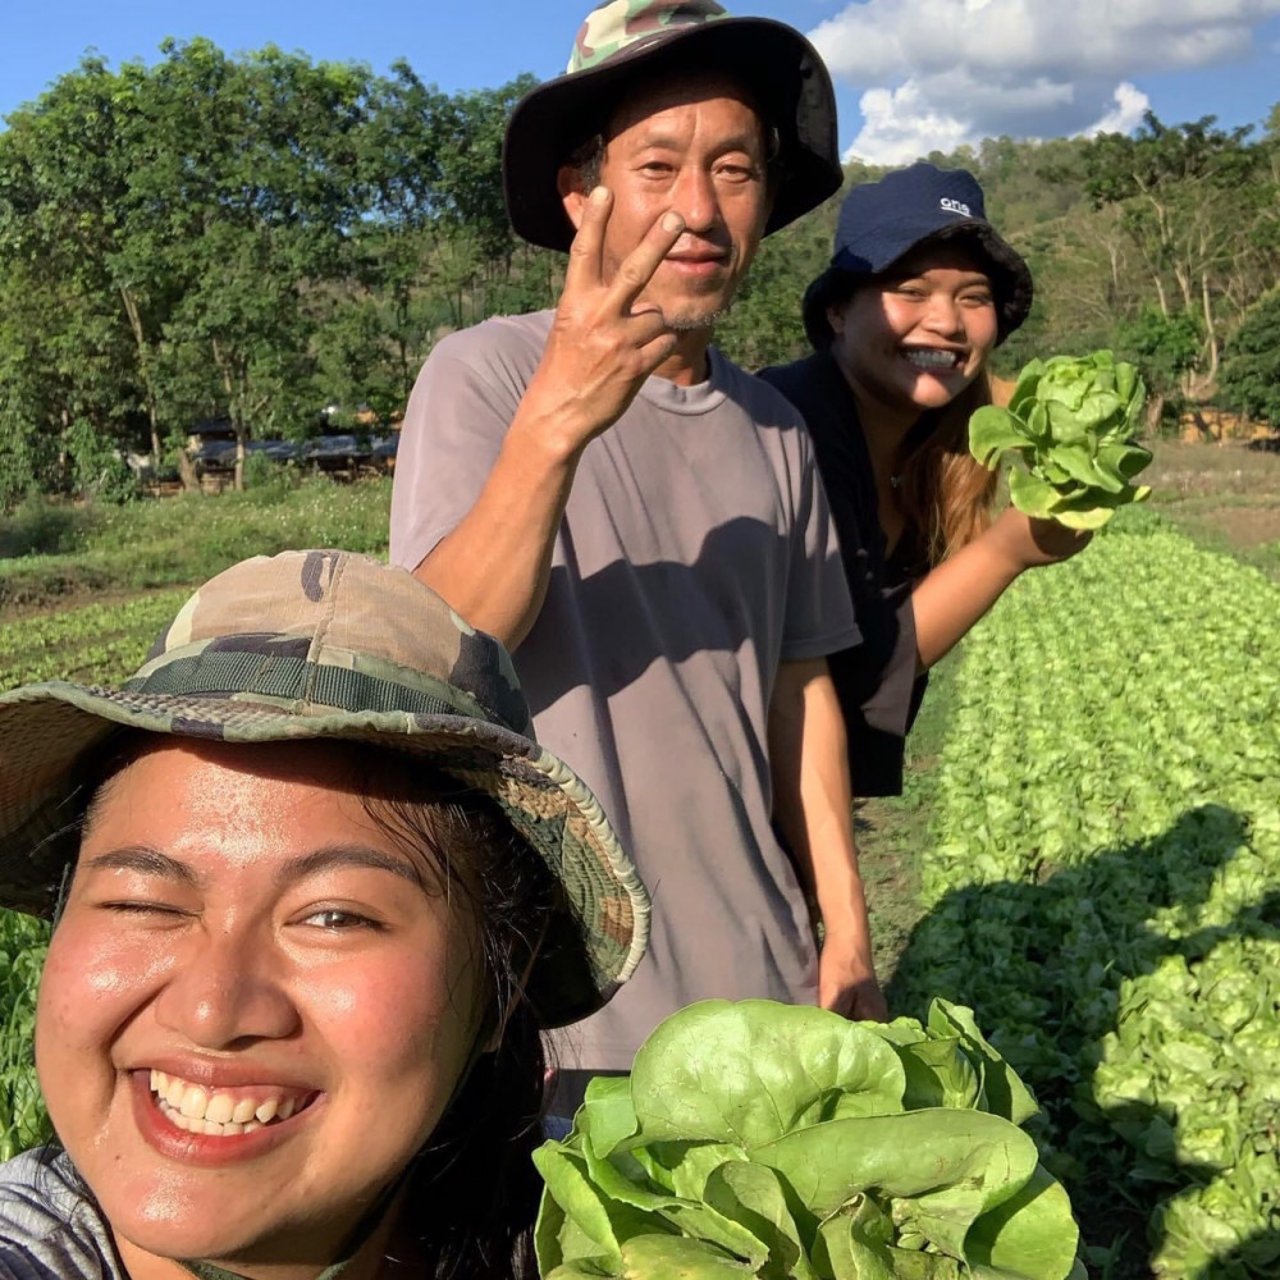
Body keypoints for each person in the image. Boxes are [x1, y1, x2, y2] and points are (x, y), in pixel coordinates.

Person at [389, 0, 887, 1119]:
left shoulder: (775, 429)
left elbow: (798, 691)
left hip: (763, 992)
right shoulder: (485, 376)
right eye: (657, 165)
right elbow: (440, 652)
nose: (698, 209)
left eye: (735, 168)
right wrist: (557, 421)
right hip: (561, 1020)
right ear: (582, 193)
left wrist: (844, 931)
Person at [0, 549, 649, 1280]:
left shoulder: (635, 1233)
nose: (212, 1011)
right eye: (141, 902)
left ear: (504, 979)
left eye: (334, 918)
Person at [761, 163, 1090, 798]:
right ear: (837, 310)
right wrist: (1006, 551)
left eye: (974, 297)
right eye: (910, 291)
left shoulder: (938, 443)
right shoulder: (789, 428)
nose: (945, 321)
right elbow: (850, 671)